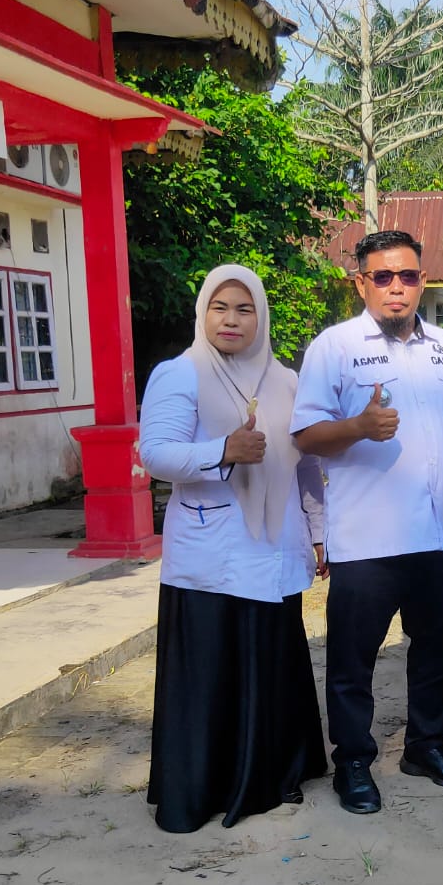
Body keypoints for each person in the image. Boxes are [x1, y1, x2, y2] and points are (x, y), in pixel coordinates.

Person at [290, 230, 443, 815]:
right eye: (382, 276)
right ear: (362, 283)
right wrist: (359, 426)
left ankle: (426, 746)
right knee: (353, 661)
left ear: (422, 281)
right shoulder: (334, 347)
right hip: (369, 541)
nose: (396, 287)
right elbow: (304, 436)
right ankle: (353, 761)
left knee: (436, 652)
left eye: (406, 275)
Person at [139, 264, 329, 833]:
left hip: (275, 546)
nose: (231, 319)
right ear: (203, 312)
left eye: (244, 309)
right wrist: (223, 450)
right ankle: (205, 788)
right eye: (220, 307)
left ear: (260, 317)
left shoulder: (286, 381)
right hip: (212, 554)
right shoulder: (181, 374)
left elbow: (306, 464)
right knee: (213, 671)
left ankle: (274, 774)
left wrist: (319, 530)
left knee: (270, 663)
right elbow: (156, 453)